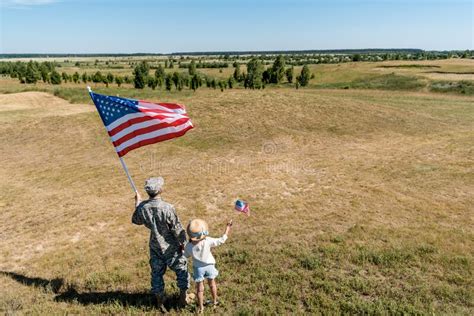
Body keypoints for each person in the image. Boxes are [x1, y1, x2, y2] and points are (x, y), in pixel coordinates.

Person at [132, 177, 190, 310]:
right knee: (182, 270)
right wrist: (184, 243)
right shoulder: (168, 208)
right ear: (160, 190)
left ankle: (160, 301)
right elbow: (176, 228)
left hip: (155, 247)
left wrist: (138, 203)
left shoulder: (143, 208)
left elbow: (136, 220)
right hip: (172, 246)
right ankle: (183, 298)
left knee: (156, 274)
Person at [184, 218, 232, 313]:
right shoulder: (208, 241)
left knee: (200, 289)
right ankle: (214, 302)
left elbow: (185, 255)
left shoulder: (188, 246)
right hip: (210, 266)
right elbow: (221, 240)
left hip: (198, 268)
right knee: (212, 284)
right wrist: (227, 228)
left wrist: (182, 249)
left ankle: (201, 308)